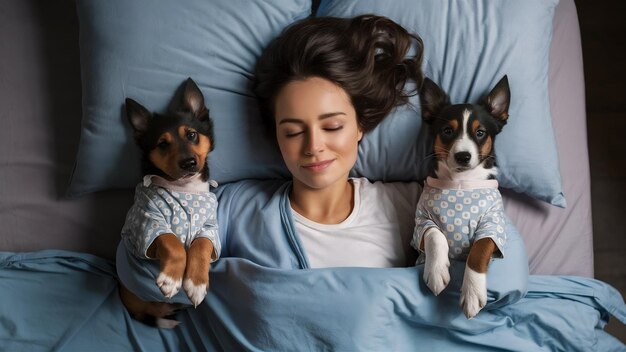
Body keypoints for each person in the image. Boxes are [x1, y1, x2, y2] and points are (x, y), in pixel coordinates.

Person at [117, 14, 527, 333]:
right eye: (293, 131)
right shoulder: (231, 206)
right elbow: (140, 263)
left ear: (361, 126)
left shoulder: (413, 202)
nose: (313, 146)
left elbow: (507, 275)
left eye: (332, 126)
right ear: (275, 137)